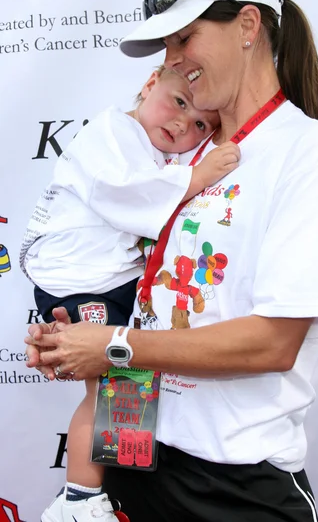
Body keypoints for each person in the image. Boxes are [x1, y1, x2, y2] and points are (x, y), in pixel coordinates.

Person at [25, 0, 318, 522]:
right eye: (166, 48)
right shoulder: (179, 148)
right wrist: (73, 338)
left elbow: (273, 342)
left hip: (232, 486)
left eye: (184, 37)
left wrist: (115, 346)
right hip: (135, 457)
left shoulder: (303, 148)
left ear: (248, 25)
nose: (174, 58)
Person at [20, 65, 239, 522]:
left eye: (199, 124)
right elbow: (122, 194)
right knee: (110, 385)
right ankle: (78, 503)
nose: (183, 124)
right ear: (150, 82)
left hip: (111, 281)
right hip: (81, 282)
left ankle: (122, 485)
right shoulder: (112, 131)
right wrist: (197, 177)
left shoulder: (157, 157)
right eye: (179, 102)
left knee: (132, 381)